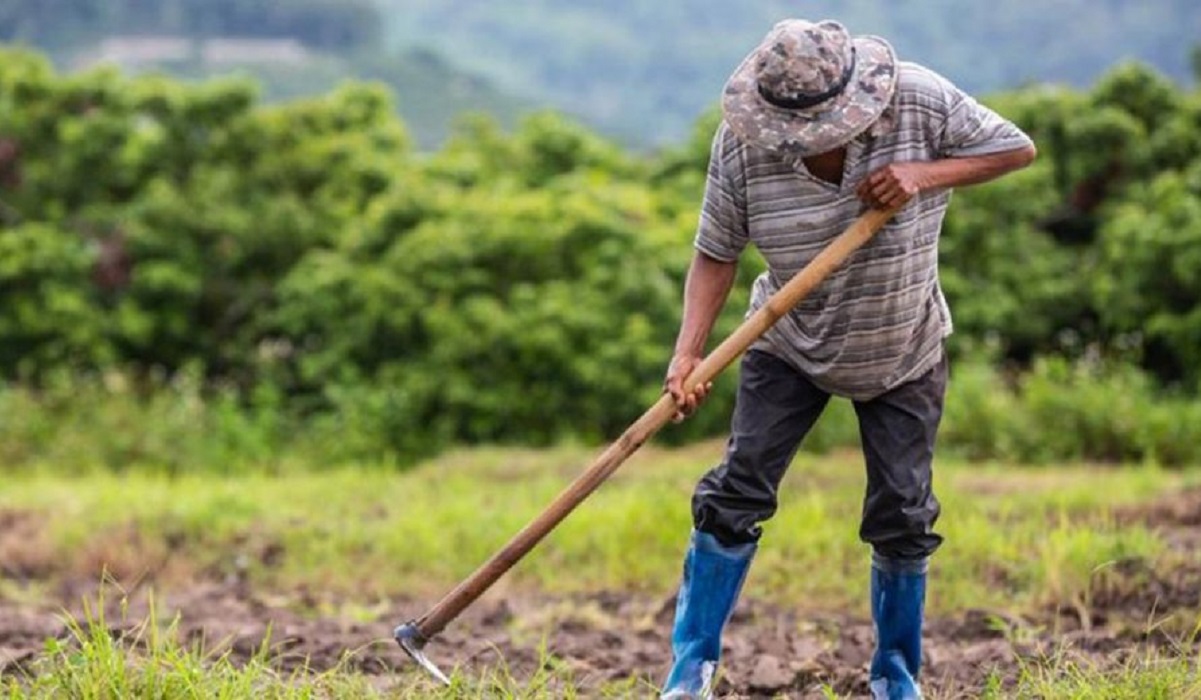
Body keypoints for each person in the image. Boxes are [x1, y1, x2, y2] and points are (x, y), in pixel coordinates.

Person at [660, 18, 1036, 700]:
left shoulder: (918, 100)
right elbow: (715, 250)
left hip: (902, 344)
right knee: (734, 494)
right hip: (787, 342)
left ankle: (895, 678)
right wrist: (689, 356)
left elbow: (1015, 149)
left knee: (902, 512)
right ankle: (690, 672)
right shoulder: (742, 146)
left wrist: (922, 174)